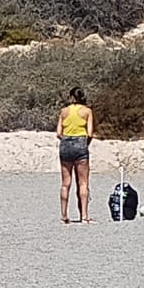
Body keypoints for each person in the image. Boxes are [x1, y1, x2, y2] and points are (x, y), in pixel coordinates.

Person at [56, 85, 93, 225]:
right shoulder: (87, 111)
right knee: (83, 182)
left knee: (66, 183)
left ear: (71, 97)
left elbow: (58, 133)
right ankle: (84, 216)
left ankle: (64, 215)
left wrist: (66, 140)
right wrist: (85, 144)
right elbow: (90, 133)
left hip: (65, 143)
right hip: (80, 143)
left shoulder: (64, 111)